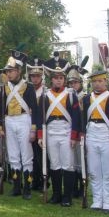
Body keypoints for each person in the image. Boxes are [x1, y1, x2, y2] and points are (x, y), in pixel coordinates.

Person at [0, 50, 41, 199]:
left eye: (11, 71)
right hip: (9, 121)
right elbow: (1, 108)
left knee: (26, 155)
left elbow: (35, 110)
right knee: (13, 155)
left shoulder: (28, 87)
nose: (8, 74)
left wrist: (34, 129)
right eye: (7, 71)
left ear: (19, 71)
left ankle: (27, 188)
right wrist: (0, 126)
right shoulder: (5, 87)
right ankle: (16, 187)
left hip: (24, 120)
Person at [80, 70, 109, 214]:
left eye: (100, 81)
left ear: (105, 81)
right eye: (94, 82)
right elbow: (83, 120)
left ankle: (108, 202)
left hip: (107, 136)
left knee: (108, 171)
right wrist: (83, 138)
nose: (97, 84)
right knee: (94, 170)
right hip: (92, 135)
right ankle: (97, 200)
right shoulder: (87, 99)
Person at [41, 57, 80, 207]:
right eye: (56, 78)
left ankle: (67, 196)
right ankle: (56, 194)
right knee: (55, 164)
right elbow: (40, 117)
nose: (58, 81)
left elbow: (76, 117)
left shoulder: (70, 95)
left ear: (64, 79)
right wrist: (40, 135)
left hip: (66, 131)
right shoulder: (45, 95)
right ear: (51, 80)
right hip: (51, 132)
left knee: (68, 165)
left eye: (61, 78)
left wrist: (74, 135)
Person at [67, 58, 89, 198]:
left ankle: (82, 188)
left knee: (82, 160)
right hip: (69, 132)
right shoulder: (68, 97)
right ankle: (73, 187)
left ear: (80, 83)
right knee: (72, 160)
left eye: (75, 82)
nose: (73, 85)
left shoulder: (85, 98)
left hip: (82, 133)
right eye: (71, 83)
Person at [27, 57, 47, 192]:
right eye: (33, 76)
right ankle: (33, 179)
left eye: (37, 76)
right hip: (27, 123)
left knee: (41, 155)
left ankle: (43, 180)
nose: (35, 79)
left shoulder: (45, 92)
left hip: (41, 125)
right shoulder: (27, 90)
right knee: (31, 155)